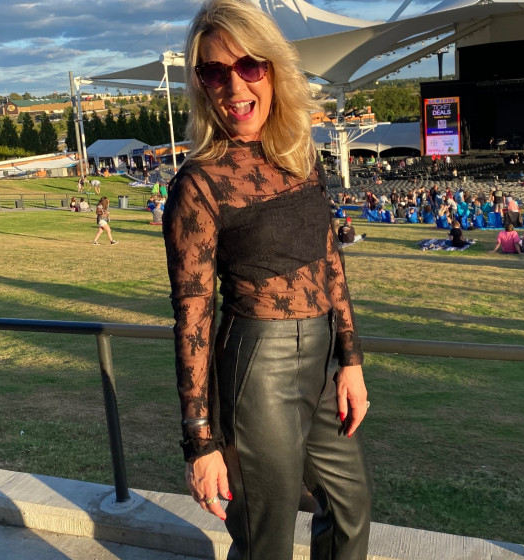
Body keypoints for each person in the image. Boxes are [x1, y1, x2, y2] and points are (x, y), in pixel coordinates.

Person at [161, 2, 371, 558]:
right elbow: (193, 316)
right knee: (266, 538)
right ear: (201, 85)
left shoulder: (301, 155)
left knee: (350, 512)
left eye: (249, 65)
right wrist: (200, 442)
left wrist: (350, 360)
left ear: (274, 69)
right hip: (258, 368)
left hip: (322, 362)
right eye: (214, 72)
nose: (234, 86)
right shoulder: (199, 184)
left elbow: (329, 259)